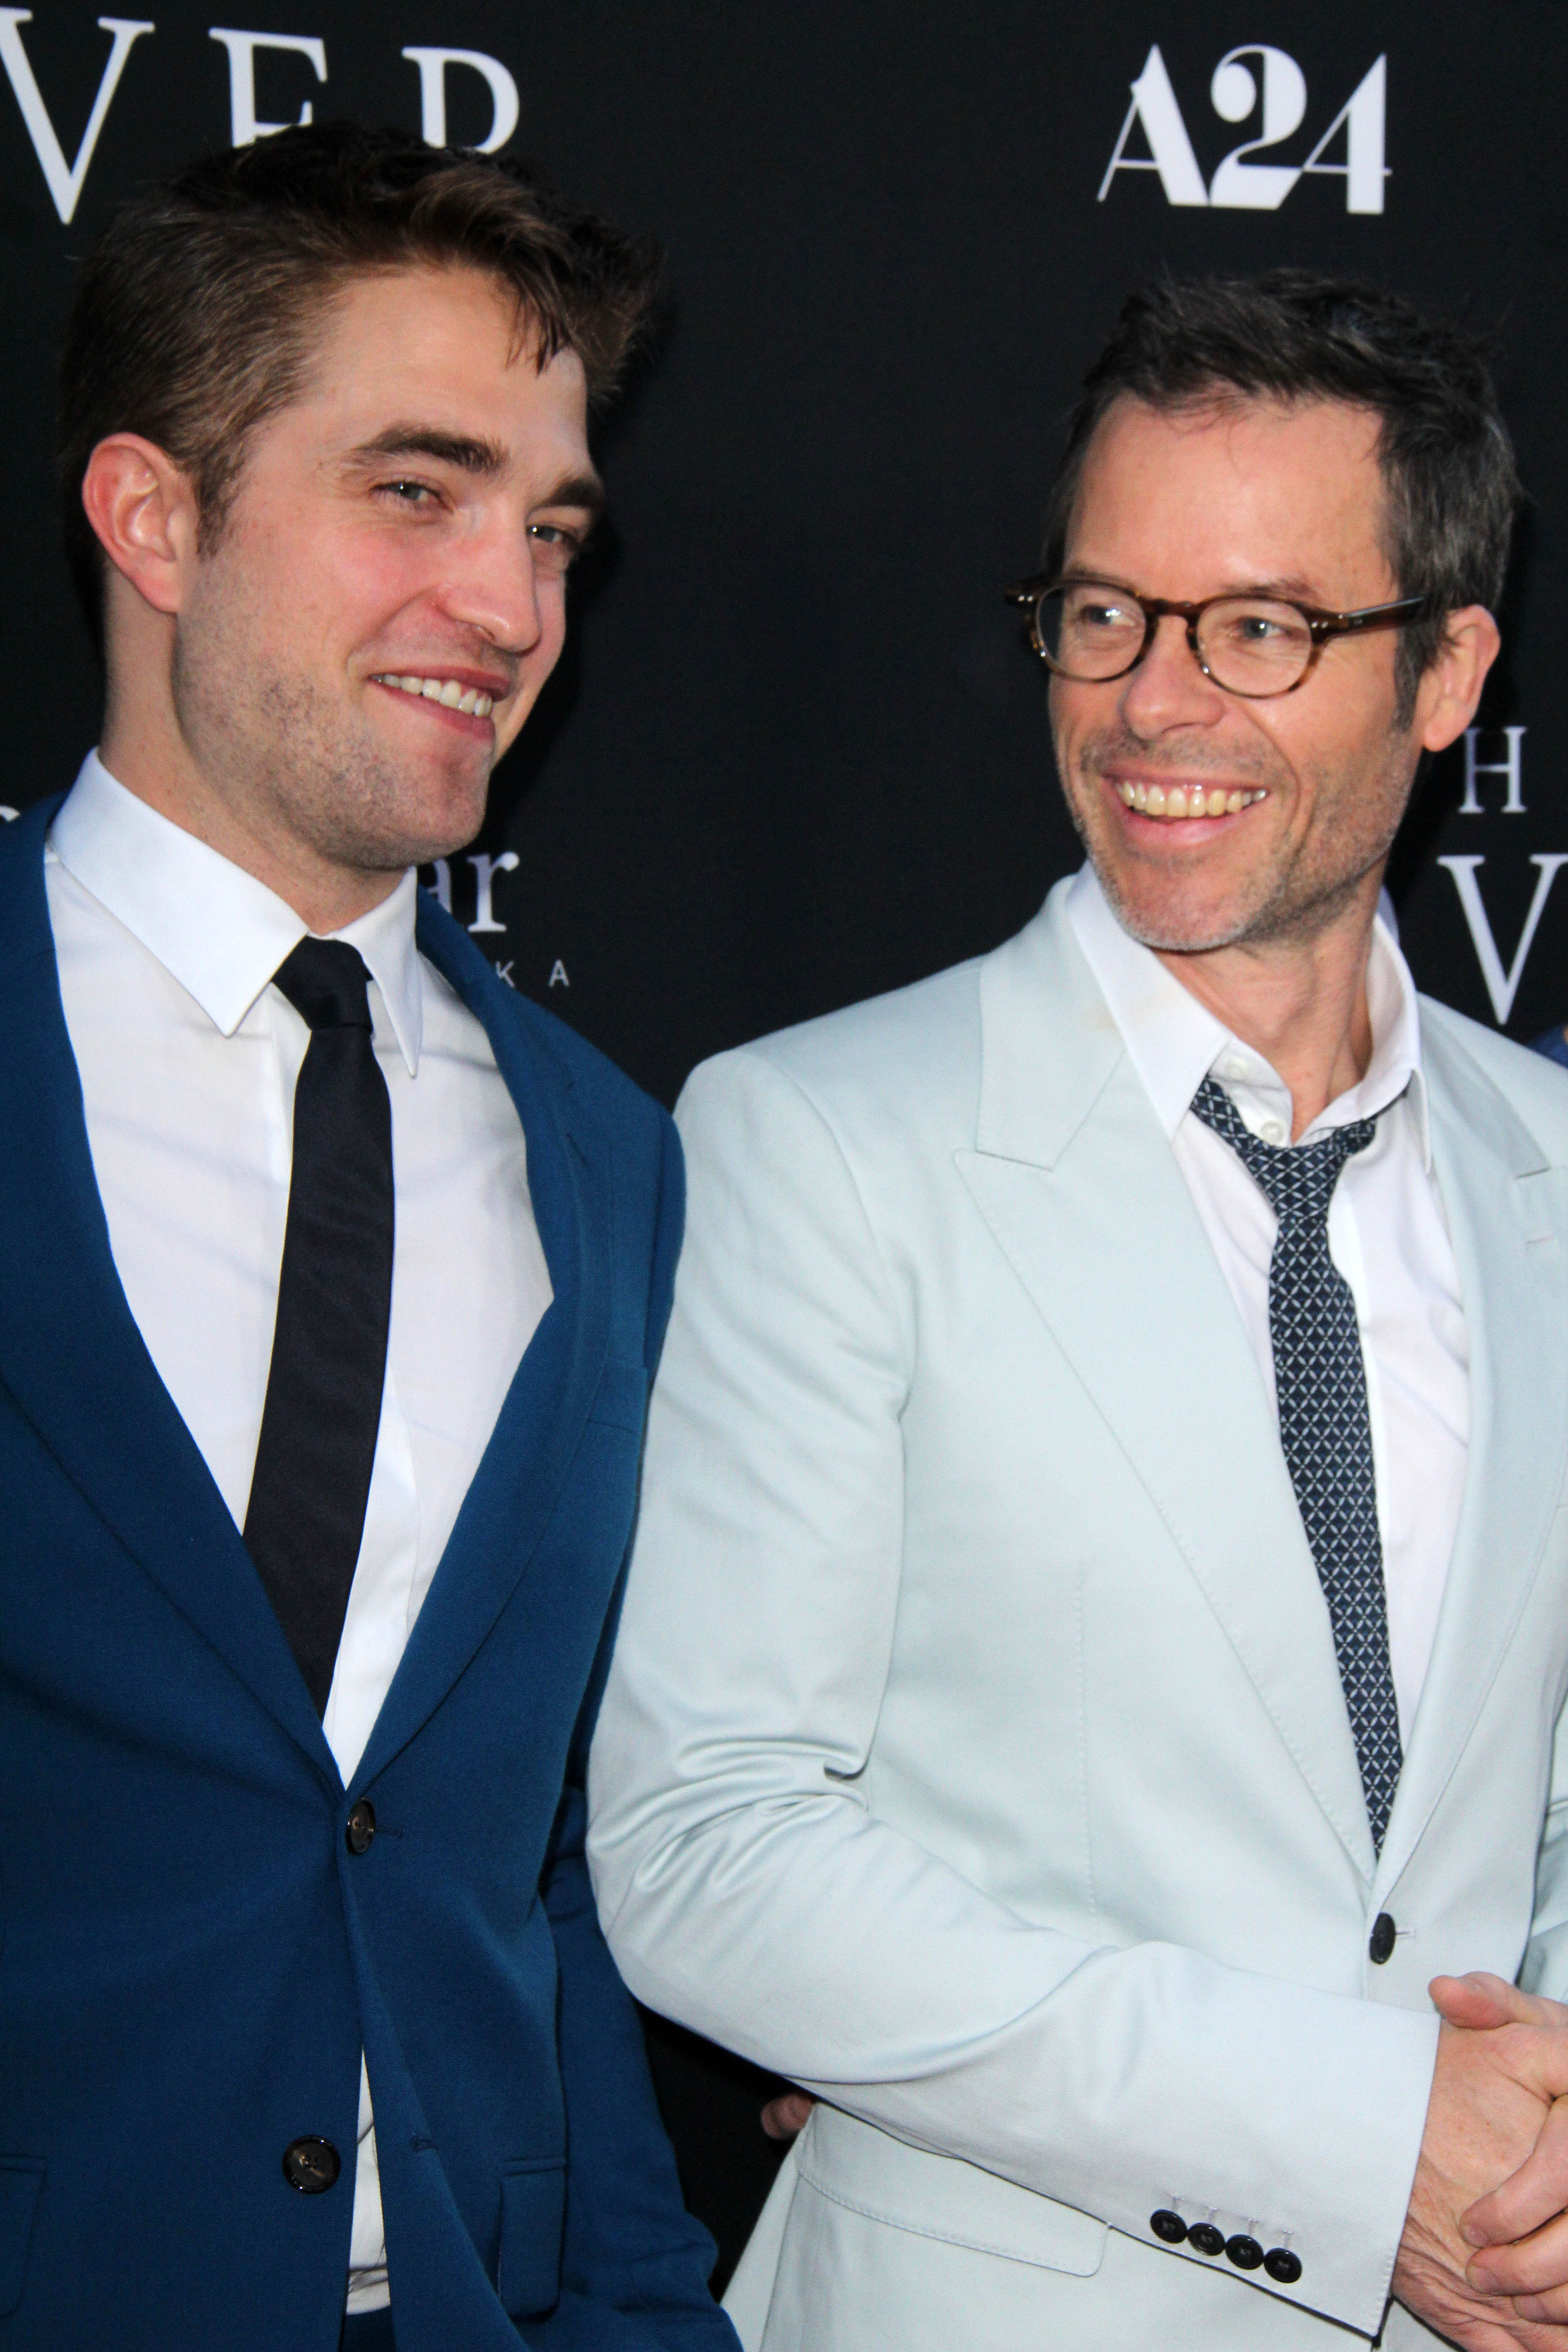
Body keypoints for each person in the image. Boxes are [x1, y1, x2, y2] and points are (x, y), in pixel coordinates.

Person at [586, 271, 1568, 2351]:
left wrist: (1541, 2147)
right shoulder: (825, 1143)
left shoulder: (1554, 1166)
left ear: (1448, 672)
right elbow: (708, 1844)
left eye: (1262, 628)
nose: (1153, 705)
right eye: (1108, 613)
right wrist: (1355, 2139)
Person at [0, 122, 738, 2352]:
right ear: (154, 515)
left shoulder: (609, 1160)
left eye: (552, 529)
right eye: (417, 491)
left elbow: (549, 1861)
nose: (512, 611)